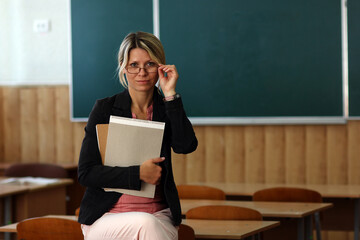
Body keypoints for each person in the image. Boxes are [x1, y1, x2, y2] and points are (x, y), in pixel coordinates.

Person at [77, 31, 198, 240]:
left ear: (160, 67)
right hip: (107, 217)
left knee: (150, 224)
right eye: (134, 65)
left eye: (150, 64)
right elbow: (86, 173)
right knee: (145, 224)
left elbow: (185, 145)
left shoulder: (166, 108)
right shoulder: (105, 109)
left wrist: (170, 94)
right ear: (124, 68)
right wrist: (138, 174)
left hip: (159, 215)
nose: (142, 72)